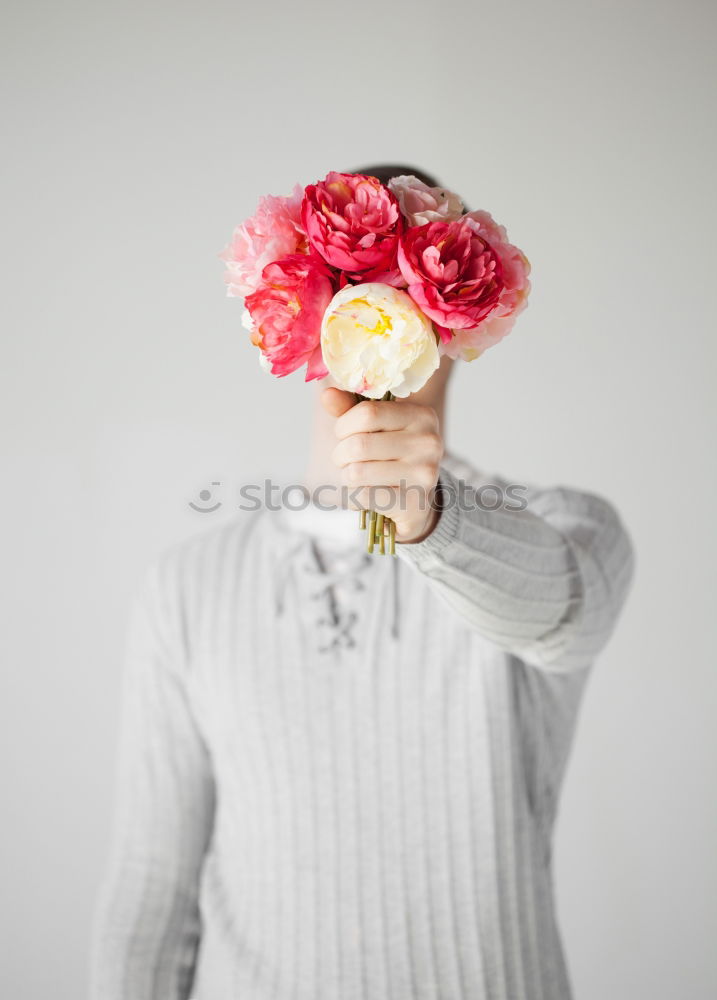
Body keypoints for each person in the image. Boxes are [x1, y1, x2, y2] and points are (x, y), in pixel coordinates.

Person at [90, 164, 635, 1000]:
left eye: (406, 294)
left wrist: (429, 519)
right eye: (350, 291)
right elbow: (151, 887)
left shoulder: (566, 529)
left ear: (459, 323)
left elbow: (561, 614)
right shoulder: (188, 589)